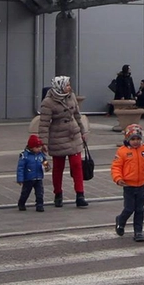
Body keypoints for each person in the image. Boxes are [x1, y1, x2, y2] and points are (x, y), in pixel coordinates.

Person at [38, 75, 90, 207]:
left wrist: (83, 131)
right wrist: (43, 142)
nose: (69, 87)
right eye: (67, 85)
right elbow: (43, 124)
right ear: (59, 86)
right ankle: (58, 194)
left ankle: (80, 195)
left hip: (73, 134)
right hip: (58, 137)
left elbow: (77, 115)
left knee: (77, 165)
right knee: (58, 168)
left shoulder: (71, 96)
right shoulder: (48, 102)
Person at [112, 124, 144, 242]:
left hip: (141, 185)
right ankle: (121, 221)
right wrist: (118, 178)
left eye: (138, 139)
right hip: (128, 185)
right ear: (127, 139)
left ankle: (138, 231)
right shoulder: (122, 152)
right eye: (133, 139)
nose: (136, 142)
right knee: (129, 208)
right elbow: (116, 167)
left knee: (140, 209)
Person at [16, 134, 48, 211]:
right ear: (31, 147)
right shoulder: (25, 156)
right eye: (37, 147)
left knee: (39, 192)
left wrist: (46, 166)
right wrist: (20, 179)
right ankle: (21, 203)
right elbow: (20, 168)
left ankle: (39, 204)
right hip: (28, 178)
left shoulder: (40, 154)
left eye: (40, 147)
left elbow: (44, 161)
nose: (39, 149)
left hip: (38, 177)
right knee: (25, 192)